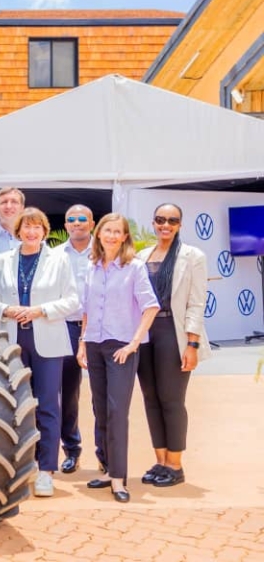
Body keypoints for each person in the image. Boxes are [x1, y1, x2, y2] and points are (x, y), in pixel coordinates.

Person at [0, 207, 78, 498]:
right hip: (14, 339)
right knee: (16, 406)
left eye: (37, 227)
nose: (31, 232)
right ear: (18, 231)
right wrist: (7, 310)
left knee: (48, 405)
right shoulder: (4, 260)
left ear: (44, 231)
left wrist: (41, 310)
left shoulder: (59, 260)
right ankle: (19, 466)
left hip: (47, 340)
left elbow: (72, 300)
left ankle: (46, 470)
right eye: (26, 227)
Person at [77, 213, 159, 503]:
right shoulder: (91, 268)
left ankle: (118, 478)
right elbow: (86, 310)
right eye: (107, 231)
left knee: (116, 412)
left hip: (121, 346)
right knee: (99, 408)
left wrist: (134, 344)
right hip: (95, 344)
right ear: (98, 234)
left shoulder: (134, 268)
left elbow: (151, 307)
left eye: (117, 232)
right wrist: (82, 343)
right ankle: (105, 468)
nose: (111, 236)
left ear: (125, 237)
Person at [136, 203, 208, 488]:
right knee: (150, 398)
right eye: (160, 220)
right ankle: (160, 460)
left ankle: (175, 465)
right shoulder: (142, 256)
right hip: (145, 333)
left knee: (172, 399)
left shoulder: (193, 257)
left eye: (172, 220)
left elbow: (196, 302)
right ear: (153, 222)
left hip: (173, 332)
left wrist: (192, 343)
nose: (166, 225)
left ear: (180, 224)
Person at [55, 204, 101, 475]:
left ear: (92, 223)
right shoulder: (55, 255)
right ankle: (72, 449)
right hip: (68, 328)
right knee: (68, 393)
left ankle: (105, 454)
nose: (76, 223)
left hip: (102, 330)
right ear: (66, 224)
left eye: (82, 219)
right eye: (71, 219)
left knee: (103, 395)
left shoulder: (105, 250)